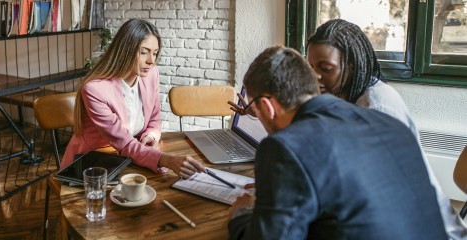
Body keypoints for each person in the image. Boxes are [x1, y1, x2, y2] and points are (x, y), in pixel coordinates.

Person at [227, 46, 446, 239]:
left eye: (255, 110)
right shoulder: (389, 122)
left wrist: (243, 214)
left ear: (266, 107)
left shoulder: (284, 147)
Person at [305, 19, 465, 239]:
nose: (315, 77)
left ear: (351, 67)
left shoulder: (376, 107)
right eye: (310, 67)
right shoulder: (343, 96)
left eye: (326, 68)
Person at [61, 19, 204, 178]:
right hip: (92, 164)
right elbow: (123, 142)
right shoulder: (95, 90)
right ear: (126, 50)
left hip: (130, 158)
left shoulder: (151, 75)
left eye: (155, 53)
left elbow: (154, 119)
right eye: (144, 52)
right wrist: (167, 160)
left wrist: (150, 136)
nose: (151, 60)